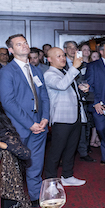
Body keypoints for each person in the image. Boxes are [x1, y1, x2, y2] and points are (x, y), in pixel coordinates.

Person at [0, 34, 50, 202]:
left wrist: (46, 118)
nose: (24, 46)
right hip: (19, 127)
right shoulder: (5, 72)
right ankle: (15, 201)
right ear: (11, 50)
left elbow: (44, 97)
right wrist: (30, 123)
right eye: (19, 44)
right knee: (15, 167)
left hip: (40, 125)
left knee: (36, 164)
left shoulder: (35, 70)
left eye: (25, 42)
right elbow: (8, 102)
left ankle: (35, 197)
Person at [42, 47, 88, 186]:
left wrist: (80, 90)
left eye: (63, 56)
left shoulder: (65, 72)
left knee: (71, 149)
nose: (62, 58)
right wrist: (74, 67)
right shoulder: (49, 74)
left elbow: (68, 89)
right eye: (58, 56)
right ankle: (50, 179)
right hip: (61, 118)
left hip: (74, 116)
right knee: (56, 151)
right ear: (49, 59)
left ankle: (67, 176)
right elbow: (61, 86)